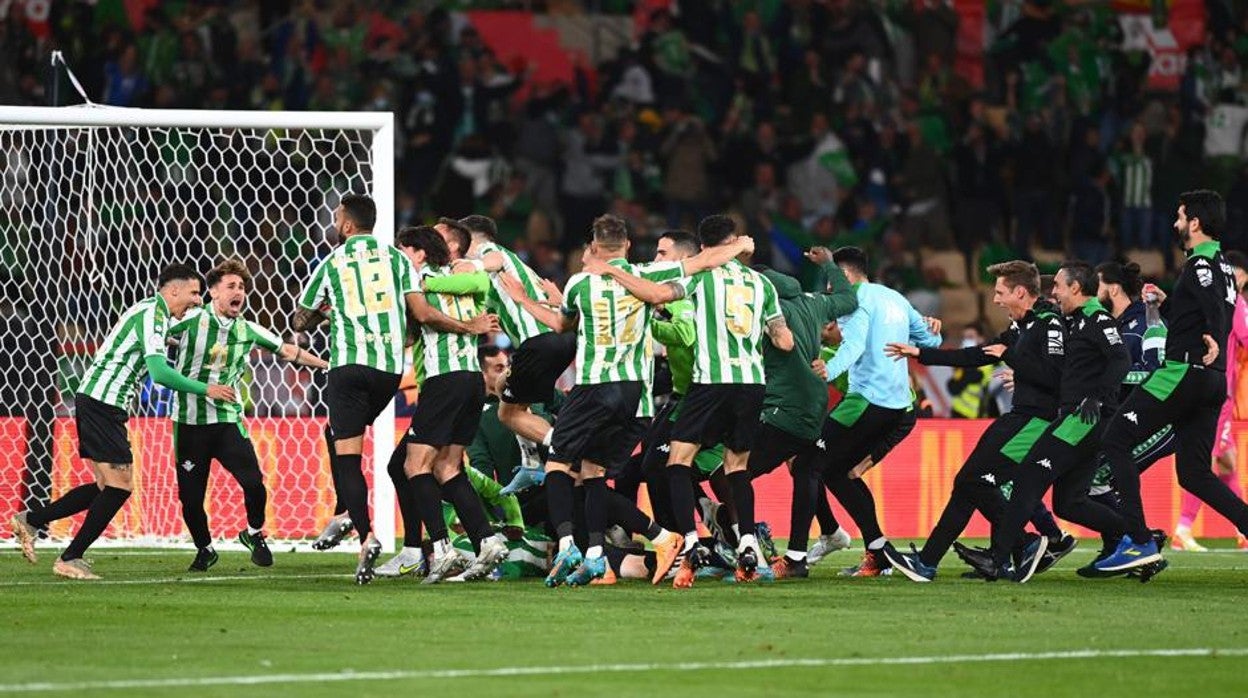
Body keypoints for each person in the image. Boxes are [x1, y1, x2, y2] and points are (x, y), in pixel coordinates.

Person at [293, 195, 493, 585]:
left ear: (347, 225)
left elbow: (300, 320)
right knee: (415, 462)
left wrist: (325, 311)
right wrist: (466, 325)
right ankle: (440, 543)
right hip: (388, 372)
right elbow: (419, 313)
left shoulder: (332, 262)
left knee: (357, 455)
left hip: (357, 367)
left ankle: (370, 533)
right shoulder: (400, 263)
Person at [586, 214, 795, 587]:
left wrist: (610, 272)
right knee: (737, 468)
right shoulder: (762, 284)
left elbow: (654, 294)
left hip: (710, 382)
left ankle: (693, 543)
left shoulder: (699, 277)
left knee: (677, 462)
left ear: (703, 249)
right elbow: (784, 341)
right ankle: (747, 542)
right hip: (751, 384)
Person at [11, 264, 236, 580]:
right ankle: (70, 557)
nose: (198, 300)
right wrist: (207, 388)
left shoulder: (152, 314)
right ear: (173, 290)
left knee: (106, 486)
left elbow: (164, 340)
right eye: (194, 292)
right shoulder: (152, 316)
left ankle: (32, 520)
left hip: (99, 401)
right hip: (103, 402)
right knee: (120, 486)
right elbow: (159, 373)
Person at [883, 261, 1072, 582]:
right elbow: (976, 356)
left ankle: (1025, 544)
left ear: (1020, 292)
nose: (996, 299)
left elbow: (1056, 377)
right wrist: (922, 353)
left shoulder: (1049, 324)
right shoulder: (1020, 327)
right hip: (1019, 417)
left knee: (975, 481)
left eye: (1000, 292)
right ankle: (928, 563)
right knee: (968, 483)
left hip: (1036, 422)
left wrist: (1009, 356)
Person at [1098, 190, 1248, 575]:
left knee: (1115, 439)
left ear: (1195, 223)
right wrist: (1168, 305)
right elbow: (1210, 307)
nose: (1176, 223)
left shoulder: (1199, 264)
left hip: (1182, 372)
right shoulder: (1224, 266)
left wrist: (1213, 336)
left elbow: (1214, 310)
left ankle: (1139, 542)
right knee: (1195, 474)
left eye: (1180, 216)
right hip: (1213, 381)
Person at [965, 261, 1133, 582]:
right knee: (1069, 503)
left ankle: (997, 559)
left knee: (1027, 478)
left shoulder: (1097, 319)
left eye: (1057, 285)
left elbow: (1121, 358)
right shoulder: (1075, 322)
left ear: (1075, 288)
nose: (1053, 291)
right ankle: (1140, 536)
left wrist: (1098, 396)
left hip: (1083, 419)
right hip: (1076, 418)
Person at [790, 246, 941, 578]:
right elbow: (928, 343)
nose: (830, 290)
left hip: (867, 402)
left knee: (805, 464)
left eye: (831, 280)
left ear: (844, 275)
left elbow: (853, 345)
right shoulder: (895, 298)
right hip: (898, 406)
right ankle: (877, 553)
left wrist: (830, 369)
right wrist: (934, 328)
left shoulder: (853, 299)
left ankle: (796, 558)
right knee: (837, 472)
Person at [168, 259, 328, 572]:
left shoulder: (248, 329)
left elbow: (288, 351)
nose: (238, 291)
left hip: (228, 421)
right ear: (213, 292)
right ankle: (205, 548)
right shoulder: (189, 321)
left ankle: (254, 533)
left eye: (241, 287)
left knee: (254, 483)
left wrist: (328, 365)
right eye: (231, 286)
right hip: (189, 423)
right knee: (190, 498)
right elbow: (154, 334)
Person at [735, 247, 859, 580]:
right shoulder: (814, 301)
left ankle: (748, 550)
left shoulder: (762, 309)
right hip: (815, 404)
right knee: (805, 470)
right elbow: (848, 299)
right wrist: (830, 266)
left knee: (735, 472)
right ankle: (797, 557)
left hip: (784, 407)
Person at [396, 225, 507, 584]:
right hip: (472, 382)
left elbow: (427, 317)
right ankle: (487, 540)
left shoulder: (420, 279)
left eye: (405, 251)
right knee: (448, 467)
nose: (402, 259)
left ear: (420, 253)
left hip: (444, 381)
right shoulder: (465, 276)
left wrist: (462, 327)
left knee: (415, 466)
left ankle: (442, 549)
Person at [1173, 250, 1248, 551]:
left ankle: (1242, 532)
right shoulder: (1237, 303)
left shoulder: (1211, 299)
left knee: (1227, 463)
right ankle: (1183, 528)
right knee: (1202, 465)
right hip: (1219, 394)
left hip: (1207, 386)